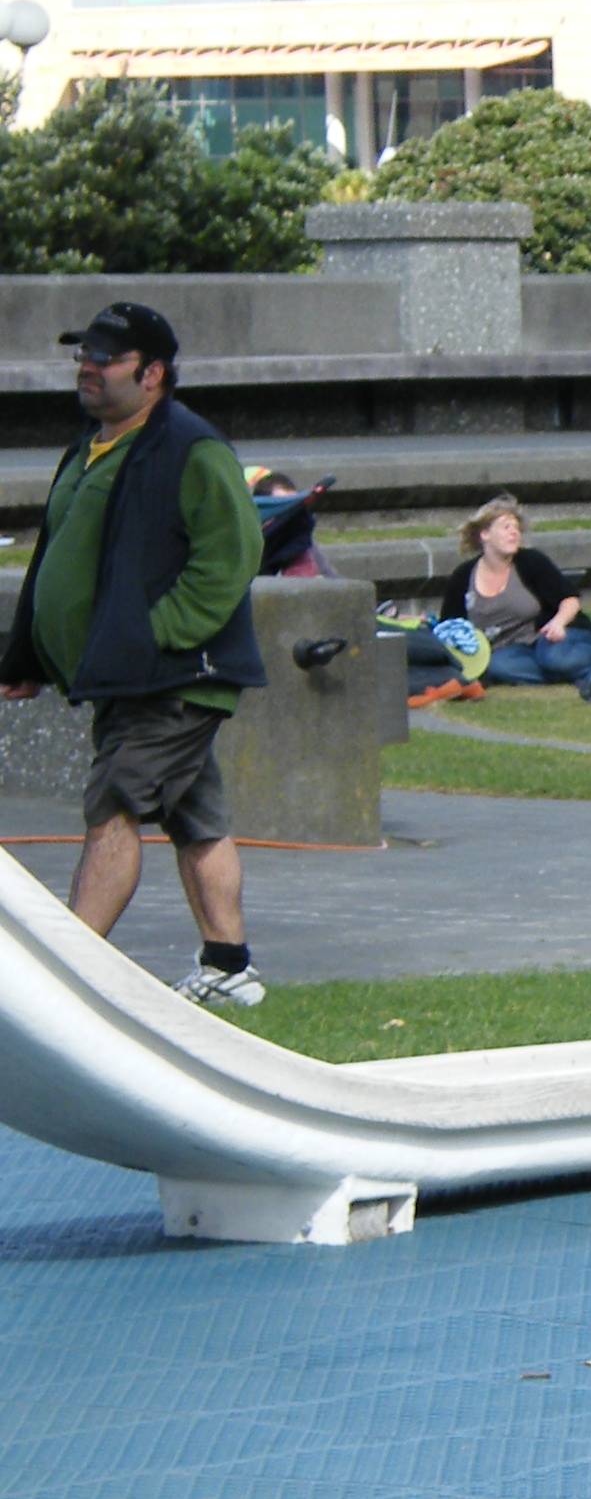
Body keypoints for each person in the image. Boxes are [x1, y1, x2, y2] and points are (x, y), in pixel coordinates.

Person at [0, 302, 269, 1005]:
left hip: (172, 678)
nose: (87, 367)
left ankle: (67, 978)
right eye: (82, 355)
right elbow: (58, 559)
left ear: (152, 374)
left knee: (113, 804)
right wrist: (27, 656)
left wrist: (155, 635)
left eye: (105, 357)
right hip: (128, 675)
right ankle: (229, 967)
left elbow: (231, 557)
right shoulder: (89, 448)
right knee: (194, 816)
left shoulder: (190, 448)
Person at [438, 498, 591, 703]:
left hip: (555, 634)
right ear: (485, 534)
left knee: (554, 658)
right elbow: (449, 626)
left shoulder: (531, 561)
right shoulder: (463, 576)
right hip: (512, 649)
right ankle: (590, 672)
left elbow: (570, 600)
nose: (514, 533)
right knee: (497, 667)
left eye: (516, 528)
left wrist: (558, 623)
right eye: (506, 527)